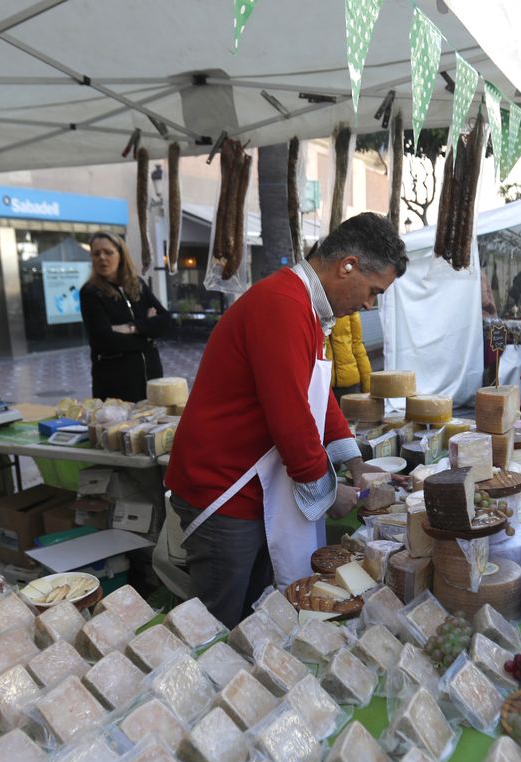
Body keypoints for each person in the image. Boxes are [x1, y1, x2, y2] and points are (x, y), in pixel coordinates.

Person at [166, 213, 405, 626]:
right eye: (373, 291)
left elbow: (318, 396)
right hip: (223, 489)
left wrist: (354, 464)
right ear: (347, 265)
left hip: (251, 488)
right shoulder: (283, 304)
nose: (369, 304)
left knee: (258, 614)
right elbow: (291, 419)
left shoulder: (308, 310)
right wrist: (330, 494)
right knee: (218, 622)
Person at [80, 232, 170, 402]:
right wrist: (148, 334)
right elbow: (105, 340)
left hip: (151, 380)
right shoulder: (90, 292)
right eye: (96, 253)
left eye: (108, 252)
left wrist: (132, 328)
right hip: (116, 386)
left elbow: (165, 321)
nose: (102, 258)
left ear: (121, 254)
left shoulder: (137, 285)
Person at [326, 312, 372, 401]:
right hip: (324, 384)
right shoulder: (313, 308)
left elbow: (357, 346)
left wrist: (368, 386)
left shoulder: (349, 308)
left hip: (350, 382)